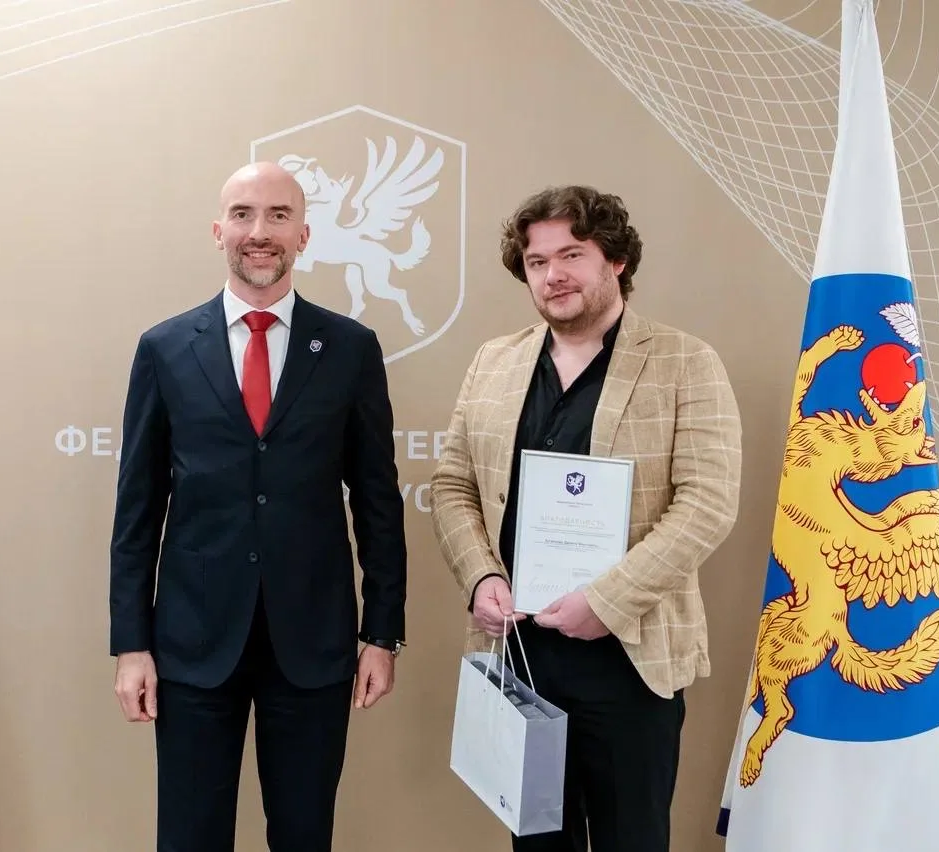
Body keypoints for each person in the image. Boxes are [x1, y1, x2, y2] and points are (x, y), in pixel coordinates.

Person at [430, 185, 742, 852]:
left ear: (616, 261)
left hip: (630, 657)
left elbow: (707, 503)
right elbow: (454, 484)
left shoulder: (685, 362)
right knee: (538, 841)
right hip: (520, 654)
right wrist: (481, 577)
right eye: (537, 262)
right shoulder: (494, 362)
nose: (554, 275)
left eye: (572, 255)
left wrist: (606, 601)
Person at [109, 161, 408, 851]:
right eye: (243, 214)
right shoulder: (164, 349)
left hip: (313, 641)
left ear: (304, 234)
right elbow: (137, 512)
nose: (259, 231)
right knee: (190, 837)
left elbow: (377, 502)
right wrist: (131, 644)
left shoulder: (350, 349)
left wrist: (382, 632)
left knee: (303, 835)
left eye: (278, 215)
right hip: (192, 641)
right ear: (219, 231)